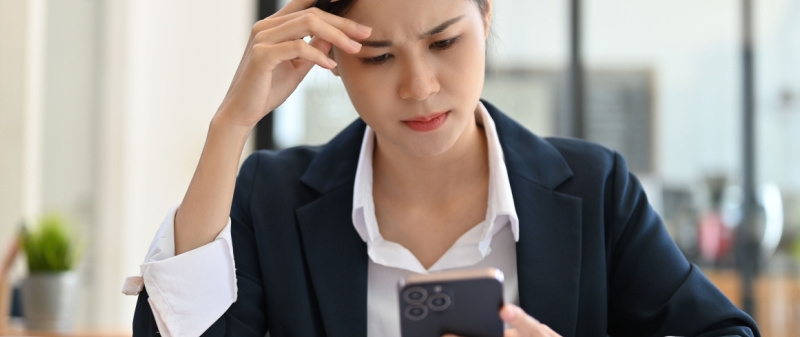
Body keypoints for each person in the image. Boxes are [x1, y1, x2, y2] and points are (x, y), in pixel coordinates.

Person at [124, 0, 760, 336]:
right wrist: (229, 125)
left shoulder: (596, 189)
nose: (420, 87)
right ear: (333, 58)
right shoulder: (272, 197)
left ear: (485, 17)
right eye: (377, 57)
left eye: (445, 42)